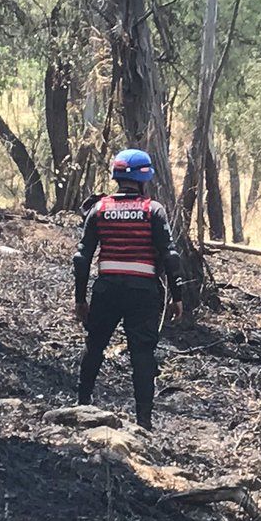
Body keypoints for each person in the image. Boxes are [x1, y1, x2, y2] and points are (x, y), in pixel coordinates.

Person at [73, 149, 183, 430]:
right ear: (145, 177)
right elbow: (169, 255)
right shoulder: (153, 210)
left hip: (106, 290)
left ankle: (81, 405)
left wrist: (80, 299)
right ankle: (143, 422)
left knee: (95, 345)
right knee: (142, 354)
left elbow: (82, 257)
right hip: (143, 292)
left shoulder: (99, 209)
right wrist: (177, 295)